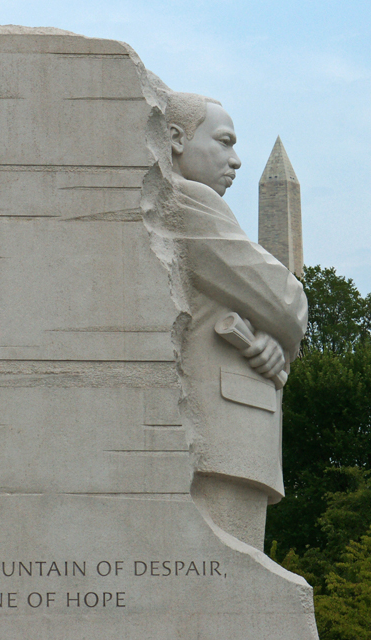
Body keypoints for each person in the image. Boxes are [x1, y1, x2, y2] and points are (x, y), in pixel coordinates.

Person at [150, 91, 308, 549]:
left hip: (232, 426)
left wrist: (271, 338)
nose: (235, 160)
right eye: (224, 142)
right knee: (219, 570)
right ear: (176, 138)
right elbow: (286, 301)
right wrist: (279, 326)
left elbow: (255, 308)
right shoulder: (186, 200)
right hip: (224, 428)